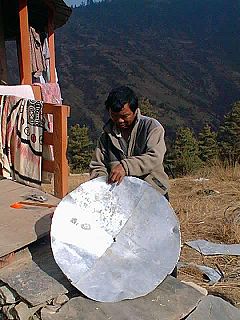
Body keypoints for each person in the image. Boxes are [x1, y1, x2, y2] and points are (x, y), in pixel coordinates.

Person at [89, 85, 169, 198]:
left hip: (152, 192)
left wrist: (125, 167)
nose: (120, 120)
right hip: (120, 196)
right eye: (114, 116)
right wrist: (103, 185)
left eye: (125, 116)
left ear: (135, 111)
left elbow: (154, 157)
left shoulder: (152, 127)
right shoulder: (106, 137)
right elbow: (97, 166)